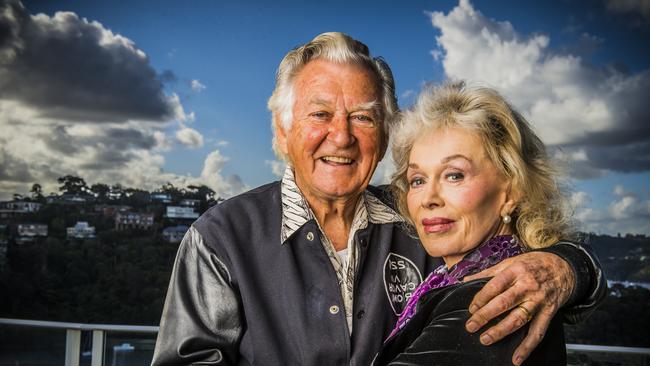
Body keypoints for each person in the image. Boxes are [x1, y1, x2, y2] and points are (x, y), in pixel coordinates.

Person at [151, 32, 605, 366]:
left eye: (363, 117)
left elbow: (519, 243)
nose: (342, 136)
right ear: (282, 130)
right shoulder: (219, 239)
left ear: (386, 134)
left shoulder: (423, 221)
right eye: (320, 114)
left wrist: (567, 266)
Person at [373, 81, 575, 365]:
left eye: (454, 175)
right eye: (417, 180)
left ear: (511, 191)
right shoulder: (458, 278)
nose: (428, 198)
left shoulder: (490, 299)